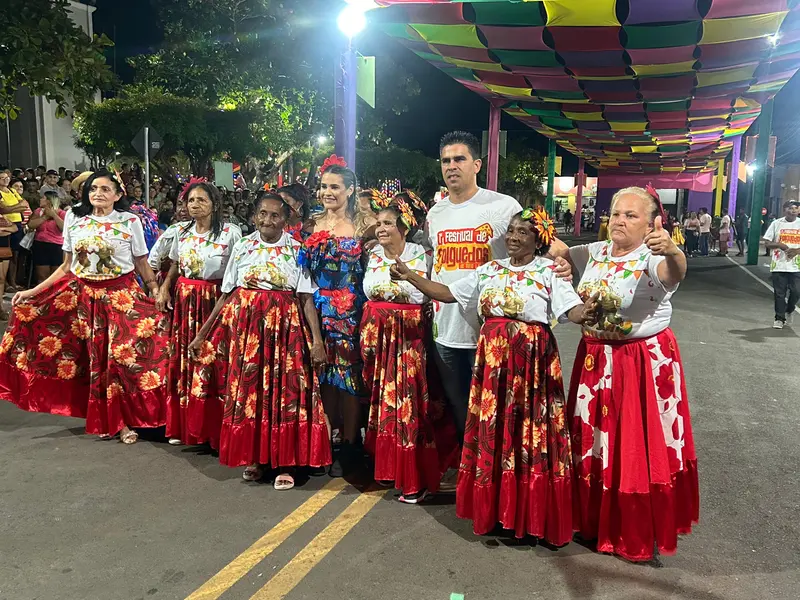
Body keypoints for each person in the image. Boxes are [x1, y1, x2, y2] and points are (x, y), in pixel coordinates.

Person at [392, 207, 596, 543]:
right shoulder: (487, 271)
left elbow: (570, 309)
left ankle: (529, 512)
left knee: (529, 433)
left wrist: (586, 312)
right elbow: (447, 294)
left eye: (523, 232)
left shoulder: (548, 272)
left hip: (532, 366)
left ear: (538, 239)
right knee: (495, 432)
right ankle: (498, 510)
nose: (514, 237)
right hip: (493, 366)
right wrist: (411, 276)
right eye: (512, 230)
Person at [554, 186, 698, 562]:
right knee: (596, 442)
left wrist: (674, 251)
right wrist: (556, 255)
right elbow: (558, 251)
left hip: (640, 364)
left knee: (634, 446)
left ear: (652, 224)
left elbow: (674, 272)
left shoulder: (651, 257)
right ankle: (592, 521)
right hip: (594, 362)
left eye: (631, 215)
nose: (620, 220)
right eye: (617, 213)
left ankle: (631, 529)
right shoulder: (596, 251)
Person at [0, 170, 169, 445]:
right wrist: (32, 291)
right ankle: (112, 419)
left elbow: (141, 261)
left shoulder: (130, 221)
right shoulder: (75, 220)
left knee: (122, 359)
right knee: (94, 361)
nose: (98, 194)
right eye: (93, 189)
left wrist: (154, 290)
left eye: (104, 189)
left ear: (117, 194)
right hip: (83, 299)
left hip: (121, 297)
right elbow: (67, 267)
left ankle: (125, 418)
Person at [188, 193, 331, 488]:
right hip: (249, 333)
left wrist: (316, 341)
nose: (268, 220)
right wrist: (202, 334)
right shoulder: (243, 246)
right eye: (263, 214)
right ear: (254, 216)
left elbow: (305, 298)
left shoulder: (296, 249)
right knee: (252, 394)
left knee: (285, 395)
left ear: (286, 219)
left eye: (275, 215)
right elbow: (227, 293)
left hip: (286, 332)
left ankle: (286, 463)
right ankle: (256, 458)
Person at [423, 131, 523, 474]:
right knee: (459, 403)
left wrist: (563, 262)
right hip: (446, 328)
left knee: (497, 403)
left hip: (491, 330)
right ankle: (473, 469)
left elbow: (534, 245)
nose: (452, 166)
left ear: (476, 165)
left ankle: (501, 469)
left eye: (459, 159)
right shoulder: (435, 214)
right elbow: (432, 262)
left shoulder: (502, 206)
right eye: (446, 161)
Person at [360, 197, 452, 504]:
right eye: (379, 223)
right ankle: (390, 469)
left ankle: (416, 477)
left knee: (409, 409)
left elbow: (431, 294)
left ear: (403, 227)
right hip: (378, 343)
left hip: (409, 342)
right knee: (384, 408)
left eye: (388, 223)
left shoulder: (422, 256)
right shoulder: (371, 253)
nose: (381, 228)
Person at [156, 181, 241, 446]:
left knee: (214, 361)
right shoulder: (182, 232)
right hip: (186, 303)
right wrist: (165, 289)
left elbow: (236, 274)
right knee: (185, 359)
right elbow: (175, 264)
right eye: (191, 200)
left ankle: (214, 429)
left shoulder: (230, 233)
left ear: (215, 205)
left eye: (201, 200)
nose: (195, 205)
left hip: (215, 301)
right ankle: (186, 426)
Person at [298, 158, 367, 477]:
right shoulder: (310, 225)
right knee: (322, 376)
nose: (327, 192)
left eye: (334, 187)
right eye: (324, 186)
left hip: (353, 312)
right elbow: (304, 277)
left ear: (350, 190)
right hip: (317, 310)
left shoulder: (363, 225)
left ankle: (352, 443)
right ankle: (326, 440)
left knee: (350, 379)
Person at [762, 200, 800, 329]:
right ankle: (779, 318)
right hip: (779, 264)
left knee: (796, 291)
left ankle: (790, 309)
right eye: (790, 208)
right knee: (779, 293)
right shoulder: (776, 223)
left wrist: (796, 251)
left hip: (797, 265)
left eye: (796, 208)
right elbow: (766, 243)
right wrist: (780, 245)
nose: (793, 210)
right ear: (785, 209)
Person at [26, 190, 67, 284]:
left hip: (57, 246)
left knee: (56, 277)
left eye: (43, 198)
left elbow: (64, 229)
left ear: (49, 200)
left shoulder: (62, 213)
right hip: (40, 245)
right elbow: (31, 225)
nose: (40, 199)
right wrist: (45, 217)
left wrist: (53, 215)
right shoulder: (38, 211)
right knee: (42, 276)